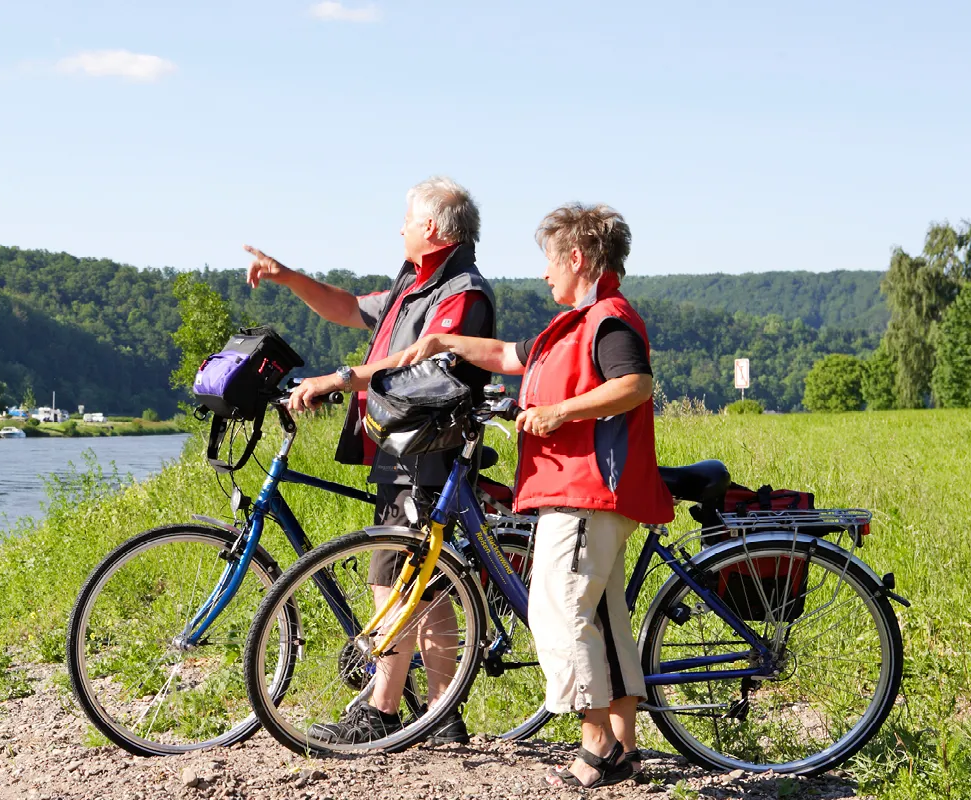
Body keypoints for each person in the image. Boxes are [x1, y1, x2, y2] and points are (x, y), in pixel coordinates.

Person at [398, 202, 672, 788]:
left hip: (586, 490)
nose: (545, 273)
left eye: (550, 260)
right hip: (584, 492)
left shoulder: (608, 319)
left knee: (557, 610)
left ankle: (596, 747)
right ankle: (623, 743)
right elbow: (508, 357)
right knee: (601, 614)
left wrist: (558, 412)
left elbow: (635, 384)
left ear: (577, 258)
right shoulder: (574, 322)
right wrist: (445, 339)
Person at [247, 176, 497, 746]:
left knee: (398, 574)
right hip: (401, 447)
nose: (400, 228)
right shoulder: (417, 284)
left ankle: (385, 711)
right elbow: (344, 308)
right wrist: (285, 275)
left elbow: (431, 373)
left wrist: (341, 378)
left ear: (431, 228)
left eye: (407, 219)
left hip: (428, 447)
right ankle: (441, 715)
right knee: (421, 581)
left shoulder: (461, 294)